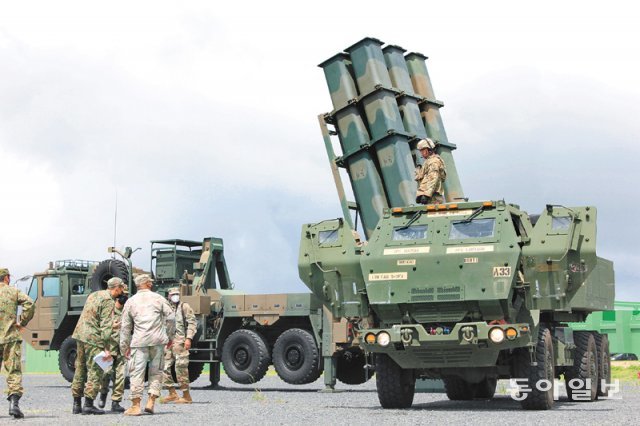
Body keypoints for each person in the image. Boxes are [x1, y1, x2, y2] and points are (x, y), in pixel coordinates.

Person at [120, 274, 175, 416]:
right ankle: (151, 402)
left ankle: (136, 405)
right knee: (156, 372)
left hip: (139, 342)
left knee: (137, 373)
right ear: (148, 284)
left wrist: (124, 347)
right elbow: (171, 318)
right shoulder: (158, 298)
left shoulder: (131, 301)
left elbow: (125, 327)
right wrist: (169, 337)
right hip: (158, 341)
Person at [71, 276, 125, 415]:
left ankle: (76, 404)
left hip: (80, 334)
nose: (123, 291)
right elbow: (105, 326)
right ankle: (88, 404)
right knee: (96, 370)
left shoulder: (94, 294)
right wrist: (106, 348)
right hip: (94, 338)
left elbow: (92, 316)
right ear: (117, 288)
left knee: (80, 369)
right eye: (122, 288)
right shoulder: (108, 300)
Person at [0, 268, 35, 419]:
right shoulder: (13, 291)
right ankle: (14, 405)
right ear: (6, 278)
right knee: (13, 371)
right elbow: (30, 303)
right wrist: (22, 321)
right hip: (10, 337)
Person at [160, 287, 197, 404]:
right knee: (163, 367)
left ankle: (186, 396)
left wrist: (189, 338)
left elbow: (192, 323)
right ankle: (172, 393)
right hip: (168, 342)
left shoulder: (184, 306)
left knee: (181, 368)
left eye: (177, 294)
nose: (175, 296)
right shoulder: (166, 307)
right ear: (169, 296)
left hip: (180, 342)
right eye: (173, 294)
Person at [97, 284, 129, 413]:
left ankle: (116, 402)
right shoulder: (108, 310)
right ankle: (103, 394)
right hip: (109, 347)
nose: (123, 298)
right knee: (106, 373)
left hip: (121, 348)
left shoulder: (127, 312)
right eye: (122, 296)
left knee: (120, 376)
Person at [414, 138, 447, 205]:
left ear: (427, 150)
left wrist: (426, 195)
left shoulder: (433, 162)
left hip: (433, 198)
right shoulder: (428, 161)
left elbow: (433, 178)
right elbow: (423, 178)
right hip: (431, 196)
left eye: (422, 150)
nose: (421, 153)